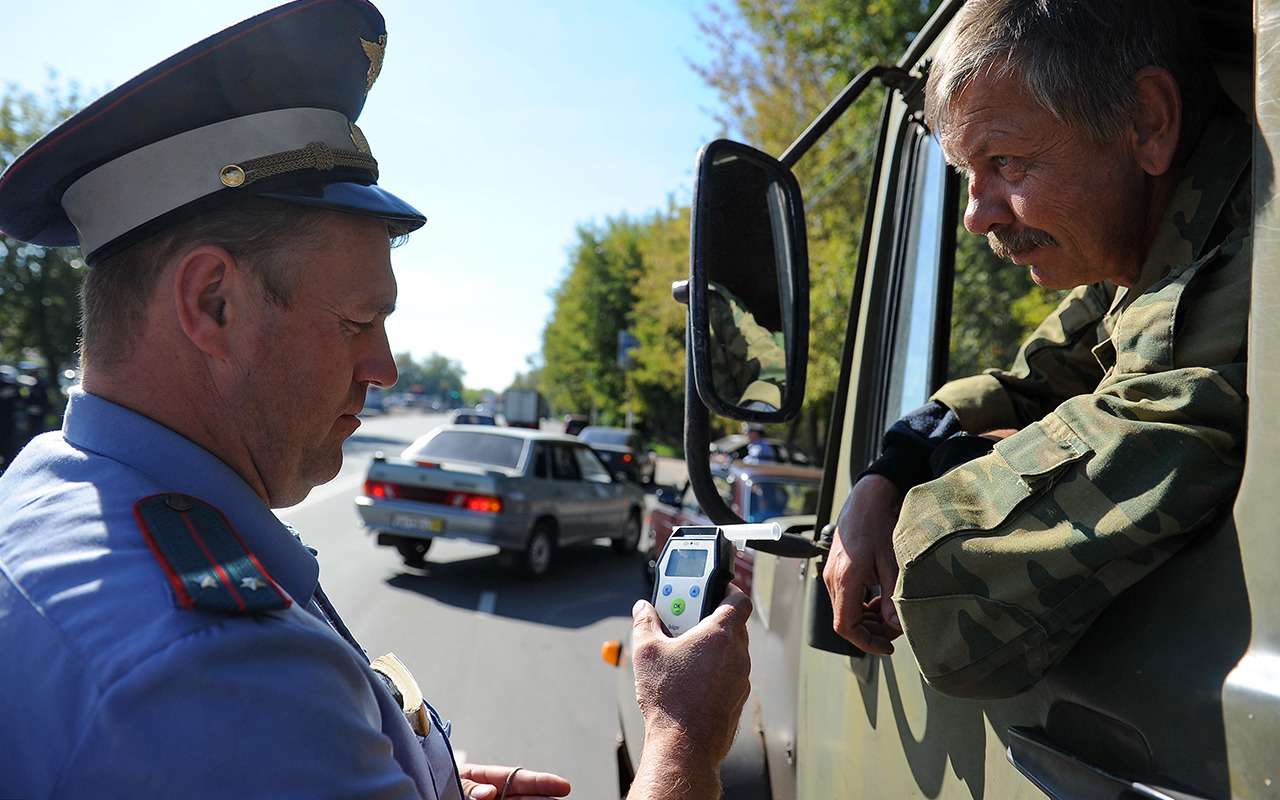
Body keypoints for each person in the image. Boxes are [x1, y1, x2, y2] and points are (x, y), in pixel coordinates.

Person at [0, 2, 752, 798]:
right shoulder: (220, 670)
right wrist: (683, 741)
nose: (385, 368)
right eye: (358, 321)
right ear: (213, 302)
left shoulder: (47, 490)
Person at [823, 0, 1250, 699]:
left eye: (1007, 162)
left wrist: (930, 489)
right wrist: (892, 467)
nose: (975, 215)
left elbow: (949, 596)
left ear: (1146, 121)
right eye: (966, 173)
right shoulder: (1150, 255)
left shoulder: (1242, 261)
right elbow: (1032, 381)